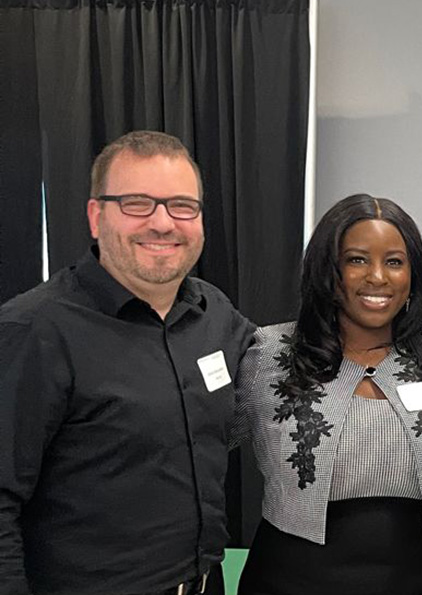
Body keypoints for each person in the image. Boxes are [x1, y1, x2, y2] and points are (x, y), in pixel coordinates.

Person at [0, 130, 254, 594]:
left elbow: (290, 364)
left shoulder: (213, 313)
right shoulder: (33, 330)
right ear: (97, 216)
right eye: (137, 203)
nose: (163, 223)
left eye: (182, 206)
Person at [232, 194, 422, 595]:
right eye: (357, 259)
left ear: (413, 276)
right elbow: (198, 446)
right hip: (287, 583)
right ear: (328, 270)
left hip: (420, 584)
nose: (377, 276)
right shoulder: (270, 354)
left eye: (394, 261)